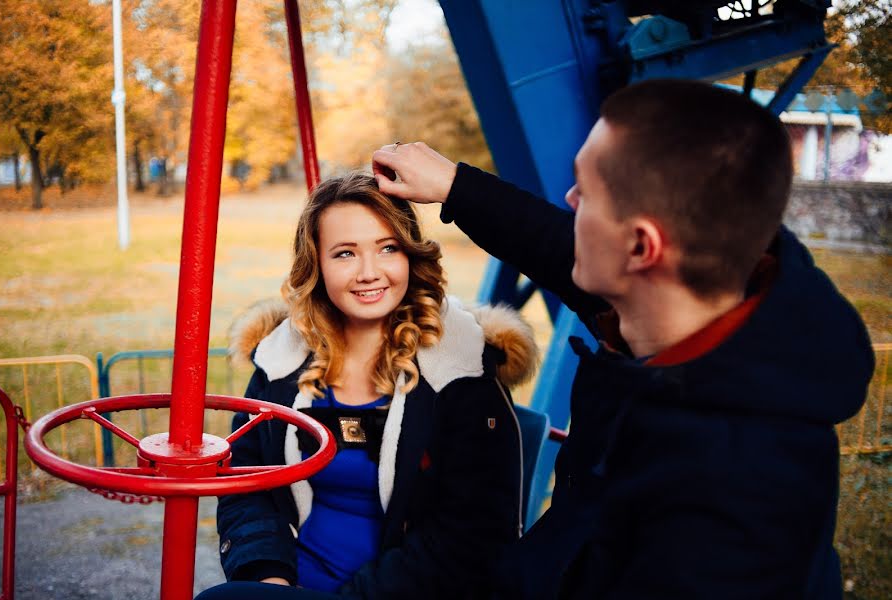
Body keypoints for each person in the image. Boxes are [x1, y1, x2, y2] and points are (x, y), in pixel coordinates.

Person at [371, 79, 875, 598]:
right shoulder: (708, 293)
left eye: (584, 194)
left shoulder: (727, 510)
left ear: (640, 248)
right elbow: (555, 244)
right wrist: (457, 185)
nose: (568, 203)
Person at [197, 172, 537, 600]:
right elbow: (248, 485)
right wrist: (270, 579)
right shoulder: (281, 361)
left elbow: (471, 531)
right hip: (289, 583)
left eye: (387, 248)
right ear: (316, 264)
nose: (369, 273)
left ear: (411, 256)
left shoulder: (459, 370)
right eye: (344, 254)